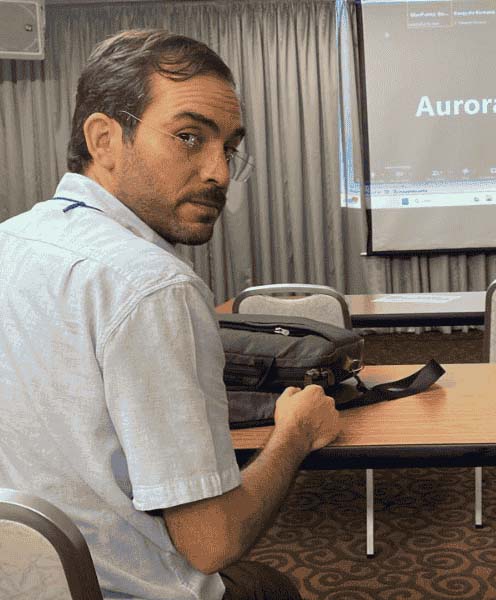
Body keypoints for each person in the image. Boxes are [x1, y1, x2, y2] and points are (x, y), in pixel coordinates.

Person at [0, 30, 341, 600]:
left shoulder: (9, 241)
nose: (221, 174)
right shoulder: (154, 287)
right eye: (189, 137)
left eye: (228, 147)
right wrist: (297, 433)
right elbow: (212, 542)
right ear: (104, 139)